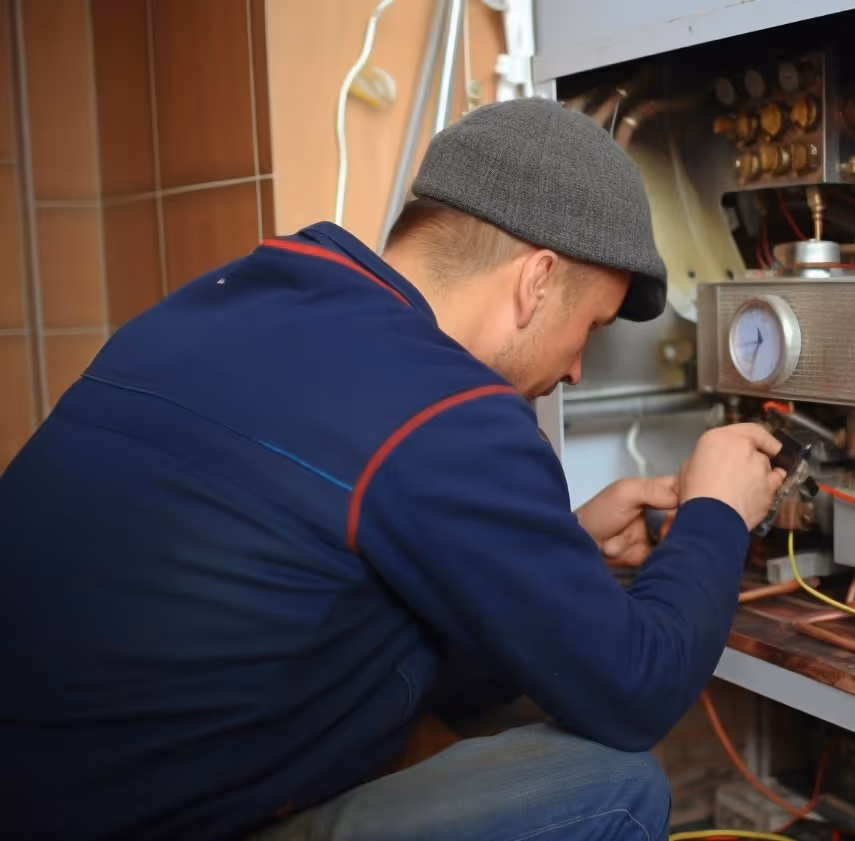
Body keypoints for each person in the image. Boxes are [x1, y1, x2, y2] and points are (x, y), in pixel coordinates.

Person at [0, 98, 785, 840]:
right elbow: (633, 691)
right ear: (536, 281)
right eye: (590, 328)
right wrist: (718, 507)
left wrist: (564, 547)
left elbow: (355, 594)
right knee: (613, 786)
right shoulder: (449, 411)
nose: (579, 368)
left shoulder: (233, 300)